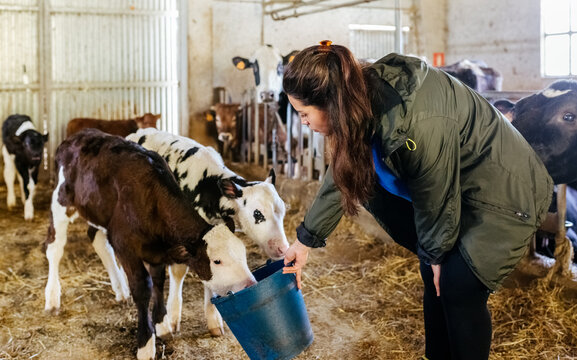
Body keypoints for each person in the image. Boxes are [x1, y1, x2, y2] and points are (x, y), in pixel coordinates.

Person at [281, 40, 553, 360]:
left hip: (504, 193)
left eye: (303, 113)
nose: (304, 123)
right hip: (459, 189)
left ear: (331, 102)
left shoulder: (414, 118)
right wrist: (304, 241)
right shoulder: (357, 102)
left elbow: (433, 188)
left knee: (459, 286)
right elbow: (343, 173)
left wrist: (437, 255)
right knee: (434, 275)